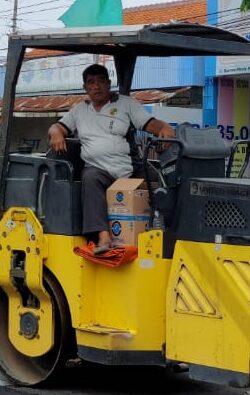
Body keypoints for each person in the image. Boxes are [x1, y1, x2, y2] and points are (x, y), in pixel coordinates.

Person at [48, 64, 176, 254]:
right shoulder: (79, 110)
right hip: (98, 170)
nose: (96, 86)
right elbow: (57, 127)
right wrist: (56, 133)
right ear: (85, 87)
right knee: (89, 178)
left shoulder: (126, 104)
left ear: (109, 83)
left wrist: (164, 127)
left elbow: (150, 124)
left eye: (101, 81)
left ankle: (166, 232)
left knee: (161, 180)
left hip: (129, 169)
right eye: (91, 82)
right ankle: (104, 238)